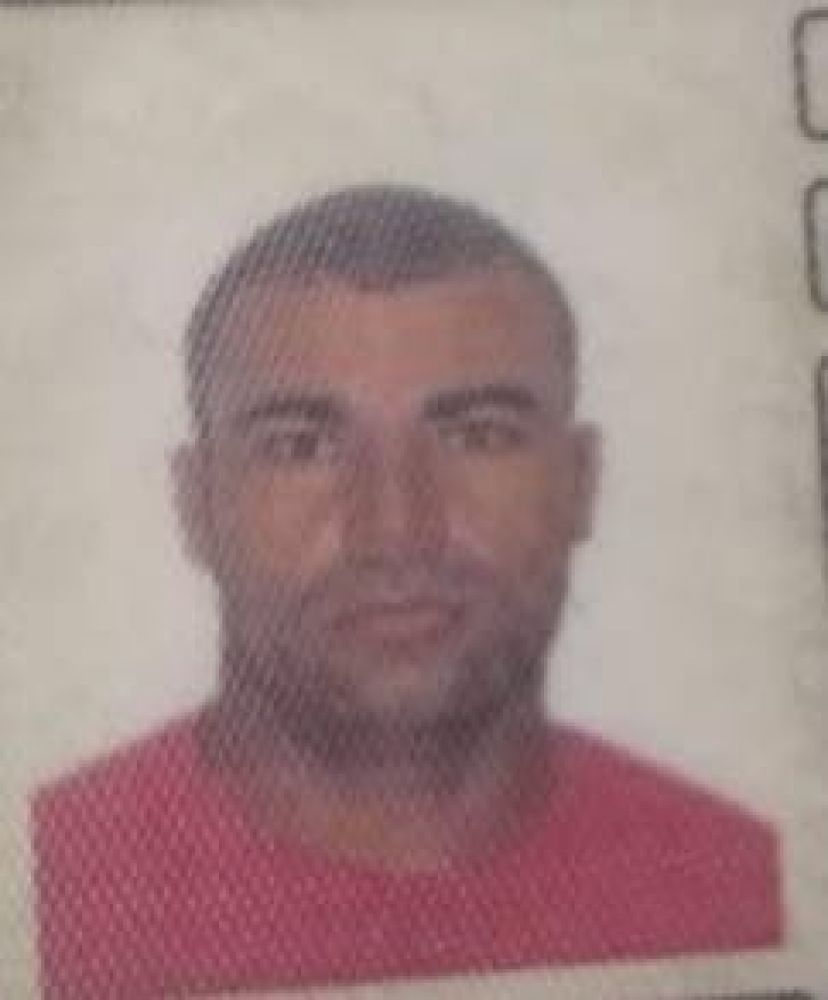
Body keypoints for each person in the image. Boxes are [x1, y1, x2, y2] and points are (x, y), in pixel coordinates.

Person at [31, 185, 782, 999]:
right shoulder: (44, 888)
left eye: (478, 435)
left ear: (581, 483)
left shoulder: (741, 884)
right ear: (196, 504)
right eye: (301, 445)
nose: (394, 531)